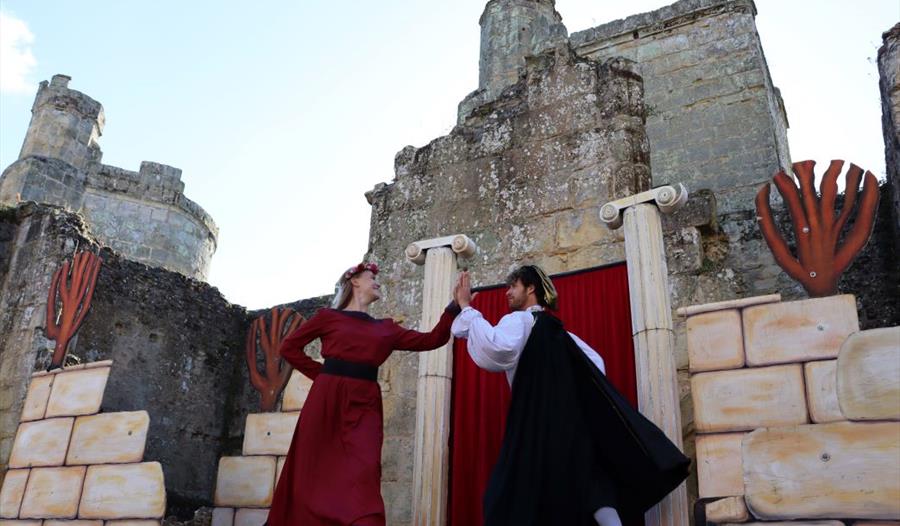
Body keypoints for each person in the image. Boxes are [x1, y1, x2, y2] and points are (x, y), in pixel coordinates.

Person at [451, 265, 690, 526]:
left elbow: (495, 349)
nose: (507, 293)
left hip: (536, 423)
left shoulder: (519, 321)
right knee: (590, 484)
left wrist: (466, 308)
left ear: (531, 288)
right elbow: (595, 364)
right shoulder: (563, 333)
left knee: (509, 494)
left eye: (513, 286)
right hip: (572, 423)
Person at [266, 262, 461, 526]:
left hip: (365, 404)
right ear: (354, 281)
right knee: (311, 470)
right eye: (372, 277)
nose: (378, 282)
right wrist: (323, 375)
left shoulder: (387, 329)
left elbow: (432, 339)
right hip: (326, 401)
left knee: (364, 470)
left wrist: (453, 307)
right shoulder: (327, 317)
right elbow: (290, 348)